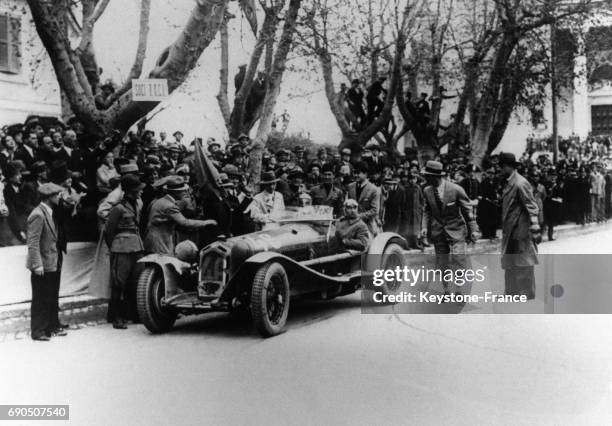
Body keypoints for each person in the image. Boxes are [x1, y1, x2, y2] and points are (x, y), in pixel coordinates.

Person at [420, 160, 479, 296]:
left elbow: (468, 210)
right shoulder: (427, 191)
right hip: (438, 231)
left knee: (458, 259)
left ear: (437, 176)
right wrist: (424, 227)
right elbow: (426, 210)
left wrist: (474, 229)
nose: (426, 178)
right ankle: (446, 291)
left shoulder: (456, 189)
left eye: (428, 176)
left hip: (456, 229)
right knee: (442, 262)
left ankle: (459, 291)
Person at [25, 183, 68, 341]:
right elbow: (33, 243)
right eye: (57, 195)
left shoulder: (50, 211)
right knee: (40, 297)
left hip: (52, 261)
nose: (59, 197)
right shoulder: (38, 214)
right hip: (42, 264)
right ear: (48, 198)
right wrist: (37, 265)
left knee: (51, 294)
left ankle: (52, 325)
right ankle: (38, 331)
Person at [104, 175, 146, 329]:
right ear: (131, 190)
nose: (140, 192)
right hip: (121, 249)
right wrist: (115, 248)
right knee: (118, 283)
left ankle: (133, 314)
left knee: (135, 281)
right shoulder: (118, 207)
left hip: (136, 246)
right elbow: (109, 231)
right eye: (138, 190)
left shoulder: (136, 204)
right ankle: (116, 317)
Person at [499, 153, 541, 300]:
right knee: (509, 260)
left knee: (524, 259)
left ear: (508, 167)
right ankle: (511, 292)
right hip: (510, 229)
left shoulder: (520, 183)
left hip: (521, 228)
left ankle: (525, 292)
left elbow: (532, 205)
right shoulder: (509, 181)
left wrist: (535, 227)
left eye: (502, 167)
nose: (500, 170)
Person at [144, 176, 217, 255]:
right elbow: (185, 222)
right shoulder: (169, 206)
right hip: (160, 241)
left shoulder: (161, 201)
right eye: (182, 191)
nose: (185, 192)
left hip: (154, 239)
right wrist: (206, 222)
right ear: (175, 192)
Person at [347, 161, 381, 236]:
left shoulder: (374, 189)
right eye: (354, 173)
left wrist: (359, 216)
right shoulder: (350, 187)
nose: (355, 175)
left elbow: (374, 210)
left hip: (367, 226)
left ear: (365, 174)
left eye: (358, 173)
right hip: (351, 225)